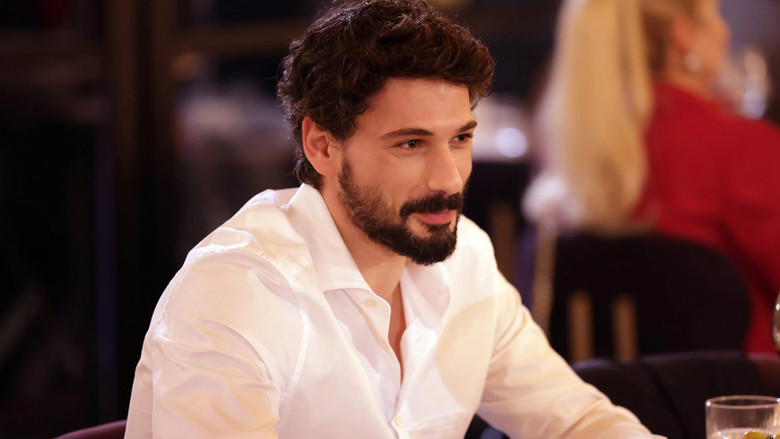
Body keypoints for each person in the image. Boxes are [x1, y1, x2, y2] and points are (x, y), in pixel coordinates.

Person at [124, 1, 662, 437]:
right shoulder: (236, 296)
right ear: (322, 146)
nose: (450, 178)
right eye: (410, 143)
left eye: (461, 139)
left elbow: (575, 420)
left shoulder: (465, 259)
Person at [524, 0, 780, 352]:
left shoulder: (576, 155)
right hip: (732, 400)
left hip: (602, 400)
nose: (725, 31)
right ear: (684, 36)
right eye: (716, 15)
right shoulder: (741, 148)